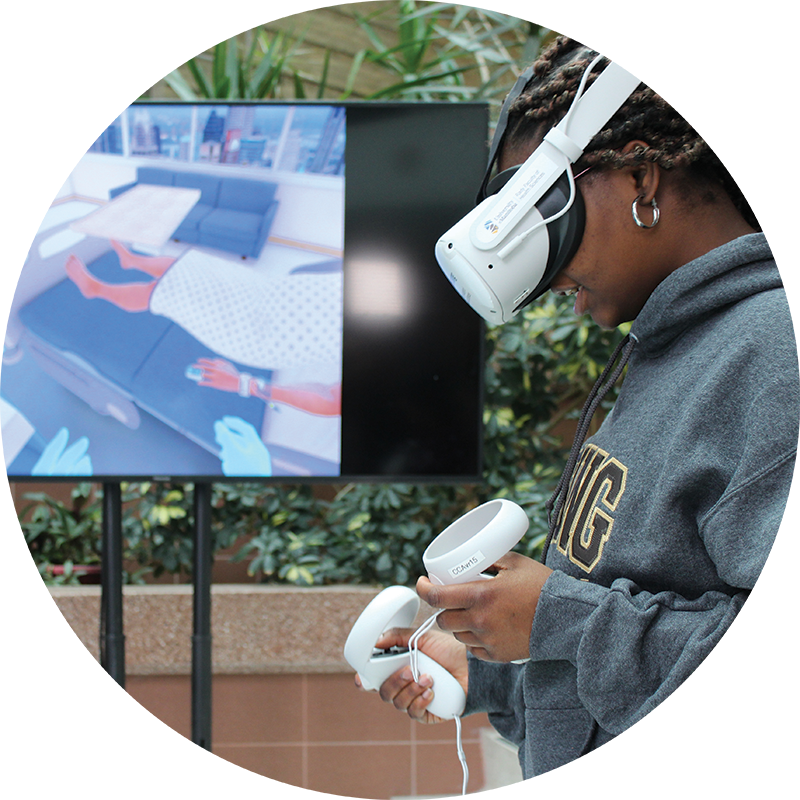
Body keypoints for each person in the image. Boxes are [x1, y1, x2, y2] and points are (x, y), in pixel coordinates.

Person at [357, 37, 800, 776]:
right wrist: (493, 671)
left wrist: (554, 618)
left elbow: (771, 661)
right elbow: (633, 622)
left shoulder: (777, 348)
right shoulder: (669, 352)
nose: (543, 271)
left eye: (541, 214)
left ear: (639, 176)